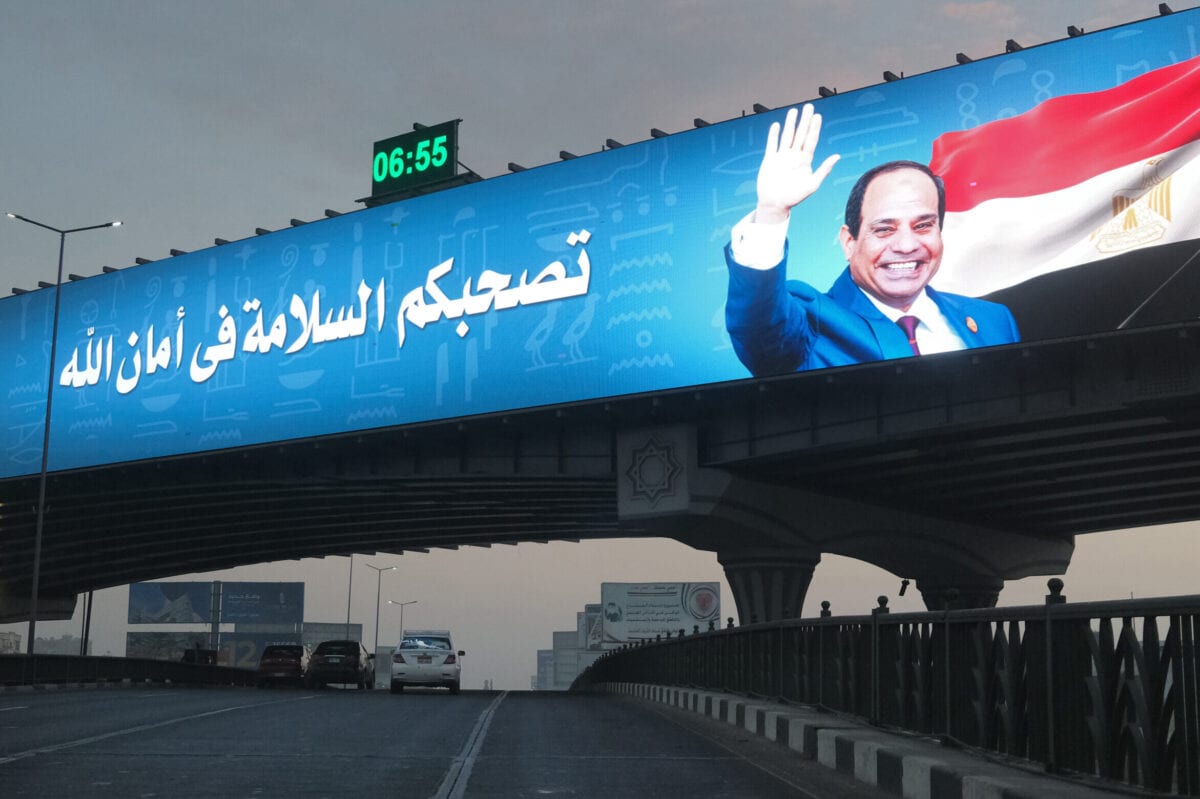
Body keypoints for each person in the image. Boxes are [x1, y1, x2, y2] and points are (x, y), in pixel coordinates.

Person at [724, 104, 1020, 376]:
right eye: (884, 229)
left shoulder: (994, 320)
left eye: (923, 226)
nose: (906, 246)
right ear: (849, 242)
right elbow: (758, 330)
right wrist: (772, 213)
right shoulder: (810, 322)